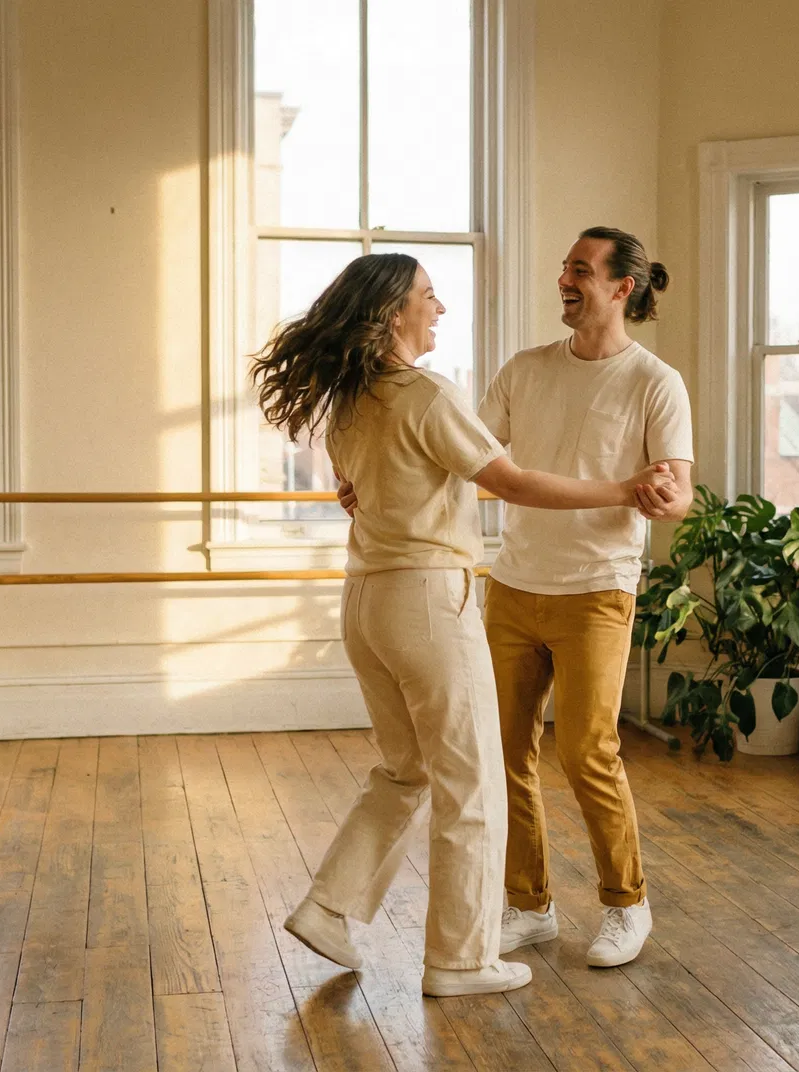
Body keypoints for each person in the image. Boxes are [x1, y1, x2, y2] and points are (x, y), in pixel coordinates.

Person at [254, 252, 675, 998]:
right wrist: (622, 488)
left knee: (406, 769)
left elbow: (361, 486)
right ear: (393, 314)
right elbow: (508, 482)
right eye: (428, 295)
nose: (440, 307)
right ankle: (460, 958)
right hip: (424, 601)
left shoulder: (352, 399)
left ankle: (328, 909)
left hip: (366, 602)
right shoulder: (424, 393)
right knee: (473, 783)